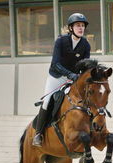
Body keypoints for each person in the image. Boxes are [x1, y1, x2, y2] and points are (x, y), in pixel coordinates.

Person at [32, 13, 91, 147]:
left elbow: (85, 64)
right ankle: (38, 134)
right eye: (77, 26)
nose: (81, 28)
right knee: (47, 101)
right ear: (71, 28)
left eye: (82, 26)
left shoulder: (85, 45)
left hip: (73, 79)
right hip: (56, 77)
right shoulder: (61, 41)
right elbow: (56, 64)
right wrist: (71, 75)